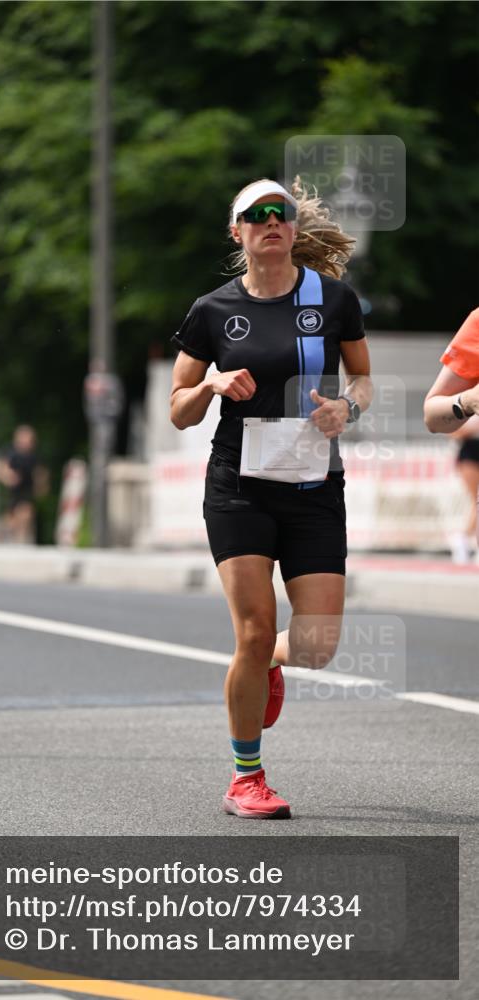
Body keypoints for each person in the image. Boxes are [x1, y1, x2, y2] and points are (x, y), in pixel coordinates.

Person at [170, 177, 373, 819]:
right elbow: (176, 410)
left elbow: (364, 379)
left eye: (279, 212)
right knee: (254, 632)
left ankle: (268, 668)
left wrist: (347, 407)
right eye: (255, 215)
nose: (270, 221)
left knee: (315, 645)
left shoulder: (333, 300)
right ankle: (246, 777)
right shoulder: (211, 310)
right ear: (238, 232)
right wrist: (210, 385)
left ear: (292, 226)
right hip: (238, 488)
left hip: (314, 488)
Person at [424, 308, 479, 561]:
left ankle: (465, 539)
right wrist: (467, 400)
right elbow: (433, 417)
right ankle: (464, 541)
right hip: (470, 451)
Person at [0, 425, 40, 543]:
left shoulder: (33, 456)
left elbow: (40, 472)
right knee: (13, 519)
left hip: (27, 490)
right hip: (14, 491)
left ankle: (20, 541)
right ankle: (4, 532)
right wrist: (7, 476)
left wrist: (40, 485)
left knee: (26, 513)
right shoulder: (11, 452)